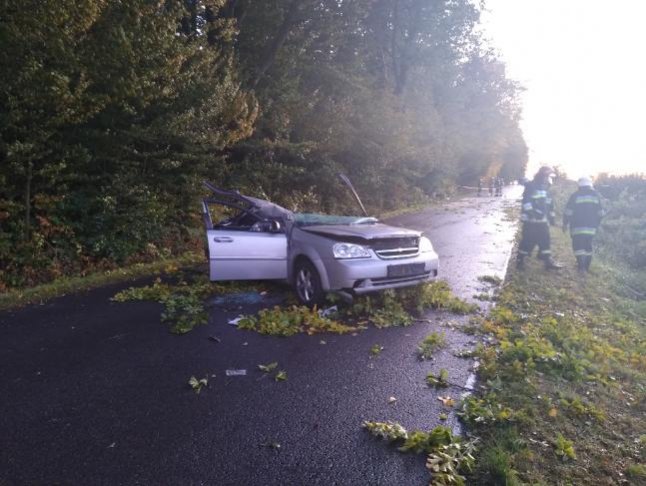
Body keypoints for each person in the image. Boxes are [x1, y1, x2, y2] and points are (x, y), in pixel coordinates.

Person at [517, 166, 562, 270]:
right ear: (544, 175)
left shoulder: (546, 189)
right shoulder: (531, 186)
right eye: (549, 176)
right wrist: (532, 213)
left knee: (545, 240)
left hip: (542, 221)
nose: (550, 179)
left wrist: (552, 219)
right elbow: (526, 202)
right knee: (528, 241)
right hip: (531, 221)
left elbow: (549, 206)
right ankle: (520, 261)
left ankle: (548, 261)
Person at [562, 177, 603, 272]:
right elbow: (601, 213)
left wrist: (565, 223)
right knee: (588, 246)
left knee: (578, 246)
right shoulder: (595, 195)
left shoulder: (575, 195)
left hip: (577, 227)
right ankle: (586, 267)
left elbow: (568, 212)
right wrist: (596, 224)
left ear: (579, 185)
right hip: (591, 228)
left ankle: (581, 267)